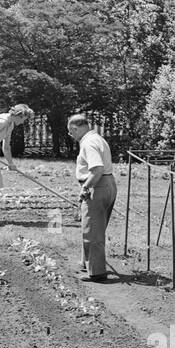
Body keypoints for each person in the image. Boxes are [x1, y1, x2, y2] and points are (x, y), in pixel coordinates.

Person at [67, 114, 115, 282]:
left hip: (97, 186)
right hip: (108, 184)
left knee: (92, 231)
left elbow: (97, 169)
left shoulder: (88, 143)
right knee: (95, 228)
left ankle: (97, 273)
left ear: (74, 128)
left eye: (70, 133)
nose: (71, 136)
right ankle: (86, 263)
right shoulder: (97, 138)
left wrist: (85, 187)